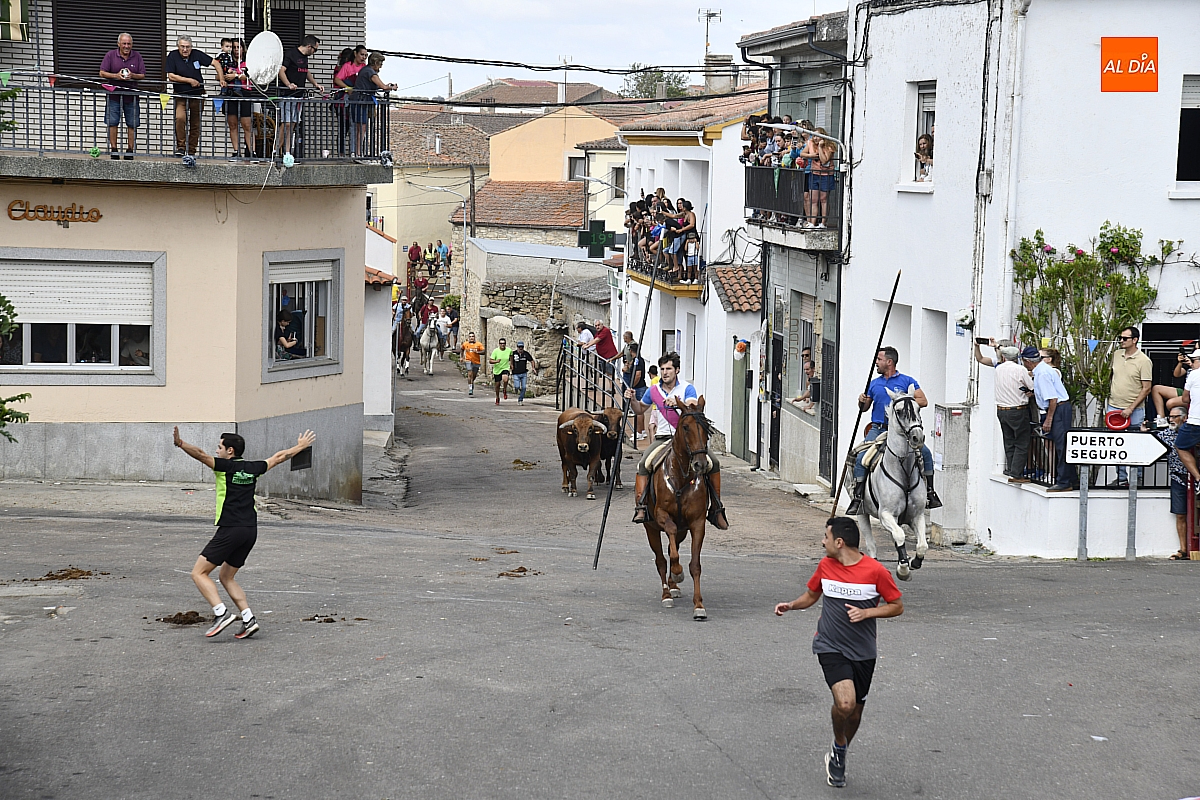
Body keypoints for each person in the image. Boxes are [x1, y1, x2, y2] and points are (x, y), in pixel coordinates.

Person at [773, 517, 904, 789]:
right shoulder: (825, 566)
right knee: (845, 704)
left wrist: (868, 612)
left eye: (826, 537)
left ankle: (838, 750)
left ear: (840, 542)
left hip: (863, 652)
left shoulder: (876, 571)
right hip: (830, 646)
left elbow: (896, 605)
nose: (823, 542)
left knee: (854, 714)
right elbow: (812, 595)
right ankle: (840, 742)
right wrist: (791, 605)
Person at [173, 427, 316, 640]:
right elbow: (279, 457)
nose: (217, 451)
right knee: (226, 576)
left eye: (220, 447)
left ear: (230, 451)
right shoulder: (253, 467)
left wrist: (181, 443)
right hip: (250, 530)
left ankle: (221, 613)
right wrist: (300, 446)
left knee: (198, 573)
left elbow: (200, 455)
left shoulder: (224, 467)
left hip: (231, 528)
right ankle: (248, 619)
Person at [624, 352, 727, 529]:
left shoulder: (687, 388)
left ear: (677, 370)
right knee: (643, 464)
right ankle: (641, 506)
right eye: (662, 369)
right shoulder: (653, 390)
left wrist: (679, 404)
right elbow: (640, 409)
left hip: (687, 439)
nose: (665, 372)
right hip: (663, 437)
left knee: (713, 463)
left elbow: (693, 407)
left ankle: (716, 508)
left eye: (669, 369)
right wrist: (632, 399)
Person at [846, 347, 942, 514]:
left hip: (901, 432)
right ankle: (858, 497)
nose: (876, 362)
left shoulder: (907, 381)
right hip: (878, 429)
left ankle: (930, 492)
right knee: (861, 457)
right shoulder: (874, 383)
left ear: (889, 362)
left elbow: (923, 400)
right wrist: (861, 400)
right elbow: (864, 408)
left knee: (925, 453)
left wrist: (903, 401)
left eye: (879, 359)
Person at [1108, 326, 1153, 488]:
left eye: (1125, 338)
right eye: (1120, 338)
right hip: (1114, 406)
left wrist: (1131, 408)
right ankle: (1121, 478)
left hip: (1135, 409)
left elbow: (1146, 388)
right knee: (1117, 443)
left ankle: (1137, 477)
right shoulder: (1116, 355)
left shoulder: (1144, 361)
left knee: (1136, 442)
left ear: (1135, 340)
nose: (1121, 341)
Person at [1027, 346, 1076, 491]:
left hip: (1058, 409)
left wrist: (1049, 419)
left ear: (1027, 361)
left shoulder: (1042, 373)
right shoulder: (1041, 371)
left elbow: (1053, 398)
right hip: (1057, 408)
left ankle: (1063, 481)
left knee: (1061, 445)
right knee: (1061, 444)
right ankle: (1071, 479)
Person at [166, 36, 223, 158]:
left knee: (195, 123)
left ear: (191, 47)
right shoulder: (173, 56)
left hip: (197, 95)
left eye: (188, 47)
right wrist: (189, 80)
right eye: (182, 47)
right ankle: (181, 147)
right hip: (180, 95)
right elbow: (171, 76)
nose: (185, 49)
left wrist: (222, 79)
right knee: (180, 118)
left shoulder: (197, 54)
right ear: (178, 46)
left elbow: (216, 63)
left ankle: (192, 150)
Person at [1153, 406, 1192, 560]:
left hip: (1194, 477)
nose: (1171, 420)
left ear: (1184, 418)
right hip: (1177, 477)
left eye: (1175, 417)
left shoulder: (1192, 433)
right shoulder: (1166, 434)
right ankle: (1183, 550)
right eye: (1170, 417)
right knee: (1180, 514)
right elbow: (1150, 439)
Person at [98, 32, 145, 160]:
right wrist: (116, 76)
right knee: (112, 122)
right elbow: (102, 73)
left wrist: (132, 75)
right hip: (114, 95)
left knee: (132, 124)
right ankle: (114, 150)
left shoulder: (137, 56)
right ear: (118, 44)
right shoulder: (110, 55)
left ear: (132, 44)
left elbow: (142, 75)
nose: (126, 46)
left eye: (129, 44)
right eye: (124, 43)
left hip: (132, 96)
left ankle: (130, 150)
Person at [276, 35, 323, 160]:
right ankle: (276, 151)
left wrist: (315, 84)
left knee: (293, 124)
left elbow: (306, 71)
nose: (314, 52)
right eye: (315, 50)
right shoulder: (291, 54)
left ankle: (287, 152)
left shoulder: (305, 58)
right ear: (309, 46)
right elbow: (281, 71)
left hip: (298, 96)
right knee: (286, 123)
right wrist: (288, 84)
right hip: (287, 95)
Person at [351, 52, 397, 157]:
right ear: (375, 62)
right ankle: (358, 153)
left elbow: (380, 86)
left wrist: (387, 86)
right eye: (380, 63)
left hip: (360, 101)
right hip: (361, 102)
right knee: (361, 128)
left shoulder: (366, 70)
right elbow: (383, 86)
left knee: (360, 128)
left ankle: (358, 152)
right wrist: (392, 87)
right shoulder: (370, 72)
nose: (381, 66)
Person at [222, 38, 254, 161]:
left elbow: (250, 75)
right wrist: (224, 76)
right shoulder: (227, 61)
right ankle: (236, 151)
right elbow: (219, 75)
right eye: (234, 47)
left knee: (247, 125)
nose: (236, 50)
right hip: (231, 94)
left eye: (238, 47)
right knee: (232, 124)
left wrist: (235, 75)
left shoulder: (248, 61)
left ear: (243, 48)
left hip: (244, 93)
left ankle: (252, 152)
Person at [333, 45, 367, 154]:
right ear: (355, 54)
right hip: (346, 102)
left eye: (366, 55)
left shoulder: (364, 67)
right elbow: (337, 79)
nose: (364, 57)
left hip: (359, 101)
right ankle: (343, 153)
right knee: (345, 127)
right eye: (362, 54)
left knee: (358, 127)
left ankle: (357, 151)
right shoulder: (348, 66)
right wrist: (348, 88)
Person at [1151, 346, 1192, 428]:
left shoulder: (1195, 363)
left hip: (1195, 393)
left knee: (1170, 403)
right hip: (1186, 391)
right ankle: (1161, 419)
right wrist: (1180, 362)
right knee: (1156, 389)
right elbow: (1177, 374)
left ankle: (1185, 420)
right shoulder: (1192, 360)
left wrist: (1193, 365)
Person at [623, 343, 647, 439]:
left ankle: (639, 432)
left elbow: (638, 375)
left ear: (631, 351)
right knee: (640, 411)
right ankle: (642, 430)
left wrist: (632, 386)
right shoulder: (637, 360)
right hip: (640, 386)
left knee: (638, 411)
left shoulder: (638, 361)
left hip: (638, 388)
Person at [459, 332, 485, 396]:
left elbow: (484, 351)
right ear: (468, 337)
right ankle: (470, 388)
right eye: (470, 336)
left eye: (472, 336)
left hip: (476, 362)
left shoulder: (478, 344)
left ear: (474, 337)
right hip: (468, 361)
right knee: (470, 374)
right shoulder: (465, 344)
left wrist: (478, 352)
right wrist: (461, 357)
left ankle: (471, 382)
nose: (471, 338)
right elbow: (462, 349)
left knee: (474, 375)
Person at [490, 337, 514, 405]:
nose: (502, 345)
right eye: (501, 343)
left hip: (505, 368)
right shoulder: (495, 351)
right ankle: (497, 397)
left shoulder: (509, 350)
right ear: (499, 344)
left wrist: (511, 364)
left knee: (505, 379)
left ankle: (504, 389)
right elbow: (490, 361)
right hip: (497, 369)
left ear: (505, 344)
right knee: (497, 385)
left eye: (504, 343)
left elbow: (511, 356)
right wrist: (496, 361)